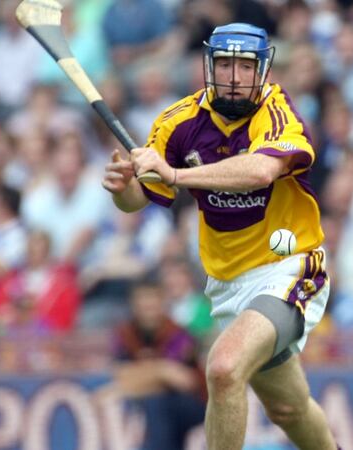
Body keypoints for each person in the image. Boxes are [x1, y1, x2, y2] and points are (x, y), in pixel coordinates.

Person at [101, 23, 337, 449]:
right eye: (224, 63)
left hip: (288, 266)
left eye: (244, 65)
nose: (233, 76)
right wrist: (124, 190)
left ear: (263, 70)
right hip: (228, 282)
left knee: (224, 368)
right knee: (288, 409)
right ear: (209, 65)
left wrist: (176, 174)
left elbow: (261, 170)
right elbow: (143, 197)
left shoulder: (279, 113)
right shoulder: (177, 123)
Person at [110, 280, 206, 450]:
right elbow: (121, 377)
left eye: (153, 305)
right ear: (134, 306)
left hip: (193, 404)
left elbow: (185, 381)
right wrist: (161, 371)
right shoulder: (126, 334)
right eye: (144, 306)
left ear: (162, 304)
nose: (149, 311)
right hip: (155, 406)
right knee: (154, 406)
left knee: (157, 404)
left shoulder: (177, 334)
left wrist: (146, 373)